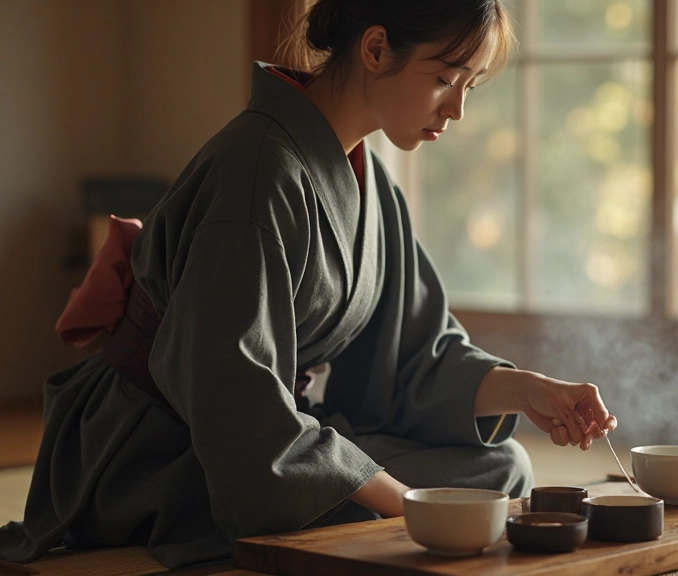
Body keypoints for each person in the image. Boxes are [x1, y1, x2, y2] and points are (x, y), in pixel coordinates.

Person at [0, 0, 618, 570]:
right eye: (444, 78)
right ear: (375, 50)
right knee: (466, 492)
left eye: (468, 86)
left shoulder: (366, 177)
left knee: (498, 464)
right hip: (160, 451)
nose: (456, 107)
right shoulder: (257, 170)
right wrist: (404, 502)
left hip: (252, 433)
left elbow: (410, 356)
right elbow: (234, 402)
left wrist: (528, 390)